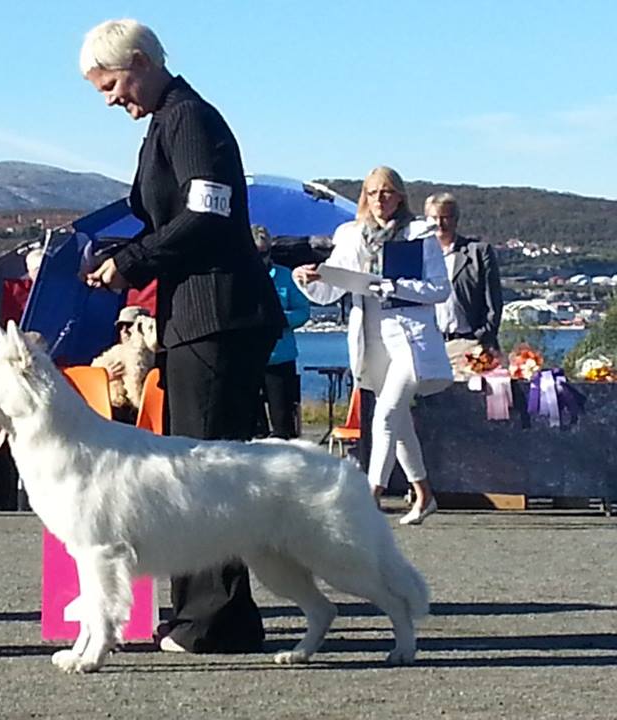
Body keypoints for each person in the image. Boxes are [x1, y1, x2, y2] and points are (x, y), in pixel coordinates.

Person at [80, 19, 285, 654]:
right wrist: (117, 254)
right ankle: (196, 611)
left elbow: (208, 214)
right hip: (194, 318)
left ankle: (219, 619)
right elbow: (171, 219)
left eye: (111, 85)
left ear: (140, 62)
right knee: (189, 470)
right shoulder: (166, 124)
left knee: (208, 471)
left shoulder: (191, 119)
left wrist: (134, 262)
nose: (110, 99)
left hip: (218, 317)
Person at [293, 167, 452, 526]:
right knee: (399, 422)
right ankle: (424, 494)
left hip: (410, 340)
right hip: (373, 340)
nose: (379, 199)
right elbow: (331, 288)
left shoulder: (419, 233)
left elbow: (439, 289)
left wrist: (392, 286)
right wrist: (310, 278)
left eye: (387, 192)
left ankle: (369, 496)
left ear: (400, 196)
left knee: (385, 416)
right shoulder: (351, 235)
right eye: (373, 192)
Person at [424, 193, 503, 374]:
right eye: (434, 218)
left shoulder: (478, 253)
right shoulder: (419, 256)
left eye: (445, 217)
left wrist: (481, 337)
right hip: (430, 346)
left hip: (468, 346)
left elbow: (494, 302)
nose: (440, 223)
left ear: (456, 219)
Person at [252, 225, 310, 439]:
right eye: (256, 254)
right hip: (247, 360)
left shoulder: (285, 276)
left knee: (283, 422)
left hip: (280, 359)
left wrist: (279, 319)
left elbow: (303, 311)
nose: (261, 259)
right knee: (252, 425)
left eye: (265, 253)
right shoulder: (236, 277)